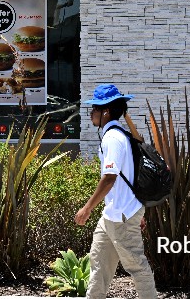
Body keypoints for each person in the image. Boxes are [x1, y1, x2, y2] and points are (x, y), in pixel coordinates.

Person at [74, 83, 157, 299]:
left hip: (122, 215)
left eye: (95, 108)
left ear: (106, 111)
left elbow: (109, 178)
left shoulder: (113, 138)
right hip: (113, 214)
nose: (91, 113)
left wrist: (87, 208)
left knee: (136, 266)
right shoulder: (121, 135)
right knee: (99, 263)